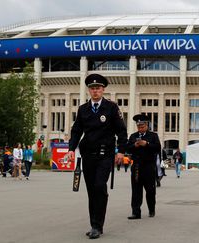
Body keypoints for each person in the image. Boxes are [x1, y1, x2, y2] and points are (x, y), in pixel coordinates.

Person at [67, 73, 127, 239]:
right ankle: (94, 224)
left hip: (105, 155)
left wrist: (121, 151)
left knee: (100, 186)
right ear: (89, 90)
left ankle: (97, 225)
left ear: (103, 89)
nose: (95, 91)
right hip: (88, 156)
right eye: (92, 88)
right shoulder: (83, 109)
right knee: (91, 191)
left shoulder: (111, 108)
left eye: (98, 88)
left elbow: (121, 131)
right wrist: (71, 149)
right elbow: (76, 131)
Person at [127, 114, 161, 220]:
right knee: (136, 190)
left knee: (150, 190)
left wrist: (147, 144)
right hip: (136, 166)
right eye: (138, 127)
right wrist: (134, 145)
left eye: (142, 127)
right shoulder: (133, 136)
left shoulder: (153, 136)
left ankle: (151, 209)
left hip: (149, 167)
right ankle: (136, 212)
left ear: (147, 125)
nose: (140, 129)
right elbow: (128, 148)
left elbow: (157, 148)